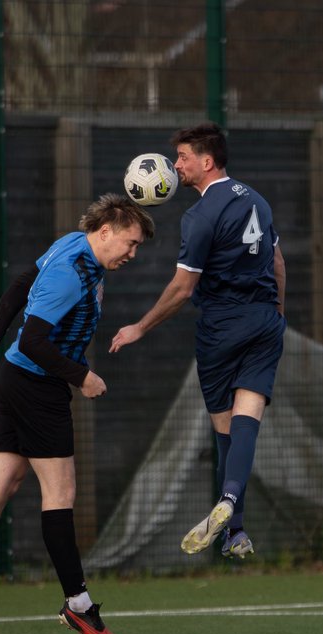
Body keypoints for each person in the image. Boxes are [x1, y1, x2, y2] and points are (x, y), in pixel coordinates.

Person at [0, 193, 155, 634]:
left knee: (2, 482)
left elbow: (23, 282)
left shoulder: (75, 244)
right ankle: (78, 603)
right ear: (106, 232)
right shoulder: (70, 274)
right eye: (131, 243)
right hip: (37, 386)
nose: (133, 254)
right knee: (60, 493)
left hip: (17, 377)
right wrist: (83, 377)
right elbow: (35, 341)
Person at [109, 121, 286, 560]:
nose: (176, 165)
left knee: (225, 430)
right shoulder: (258, 200)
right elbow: (277, 261)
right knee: (249, 420)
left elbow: (182, 288)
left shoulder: (201, 215)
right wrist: (277, 313)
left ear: (207, 162)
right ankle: (233, 525)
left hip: (222, 328)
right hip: (265, 320)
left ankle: (234, 520)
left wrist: (140, 326)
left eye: (183, 157)